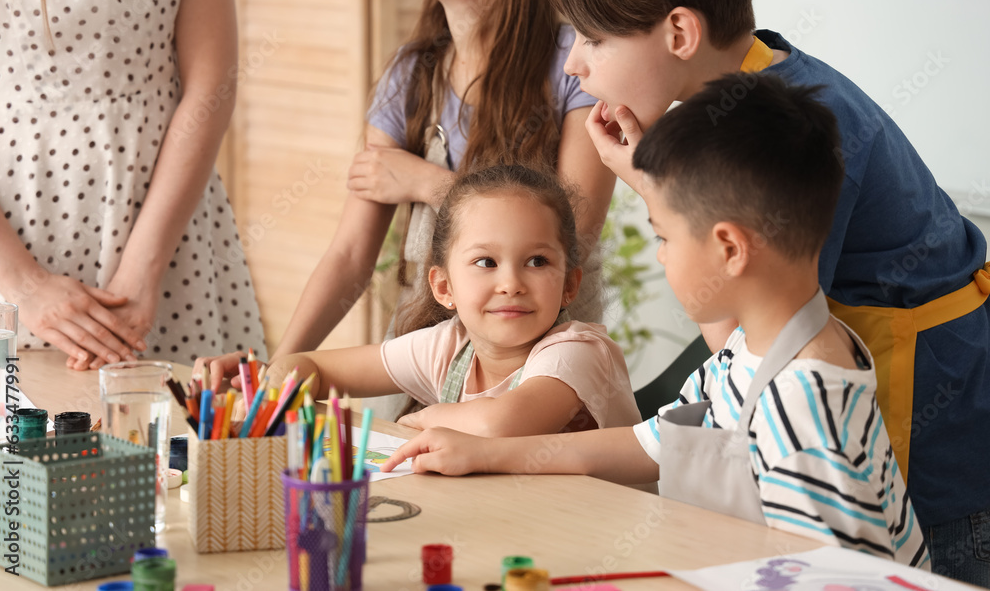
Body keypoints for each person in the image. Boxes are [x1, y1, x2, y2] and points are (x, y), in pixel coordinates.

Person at [538, 0, 988, 583]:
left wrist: (650, 184)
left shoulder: (794, 134)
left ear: (681, 34)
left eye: (593, 37)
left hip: (934, 441)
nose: (574, 64)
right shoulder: (736, 98)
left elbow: (745, 341)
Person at [382, 74, 930, 568]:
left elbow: (825, 580)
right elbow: (652, 443)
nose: (662, 255)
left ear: (729, 251)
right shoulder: (753, 347)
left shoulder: (803, 406)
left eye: (663, 236)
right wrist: (487, 454)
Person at [198, 0, 615, 417]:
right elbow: (350, 255)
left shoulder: (576, 61)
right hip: (428, 355)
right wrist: (274, 373)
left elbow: (574, 230)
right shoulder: (411, 76)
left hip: (542, 359)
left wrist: (424, 181)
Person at [0, 0, 266, 369]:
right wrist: (25, 284)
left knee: (176, 428)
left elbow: (211, 87)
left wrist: (143, 272)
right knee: (17, 430)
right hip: (6, 245)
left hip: (167, 234)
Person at [263, 165, 640, 435]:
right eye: (485, 262)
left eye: (537, 261)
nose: (510, 283)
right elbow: (311, 368)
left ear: (570, 285)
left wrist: (424, 420)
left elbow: (500, 424)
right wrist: (274, 388)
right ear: (444, 288)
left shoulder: (578, 352)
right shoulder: (447, 347)